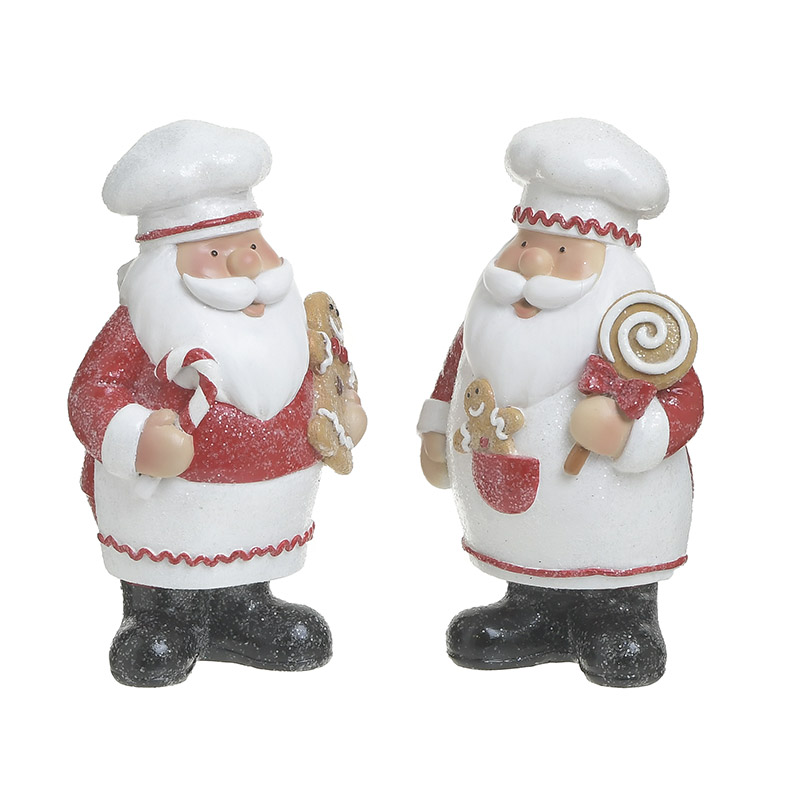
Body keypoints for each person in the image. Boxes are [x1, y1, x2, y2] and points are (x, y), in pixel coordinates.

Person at [69, 120, 363, 686]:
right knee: (166, 579)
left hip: (267, 503)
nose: (246, 265)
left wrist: (341, 414)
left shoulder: (289, 324)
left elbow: (326, 381)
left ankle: (244, 608)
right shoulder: (143, 324)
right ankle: (157, 616)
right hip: (165, 509)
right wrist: (137, 438)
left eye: (252, 246)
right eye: (215, 251)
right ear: (165, 267)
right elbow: (91, 391)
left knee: (247, 566)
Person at [417, 118, 703, 687]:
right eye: (525, 244)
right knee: (529, 553)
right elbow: (457, 372)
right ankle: (531, 608)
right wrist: (436, 431)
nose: (532, 263)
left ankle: (622, 617)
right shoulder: (490, 322)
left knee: (611, 579)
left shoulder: (637, 334)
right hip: (509, 498)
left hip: (617, 522)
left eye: (564, 249)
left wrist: (629, 433)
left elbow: (684, 400)